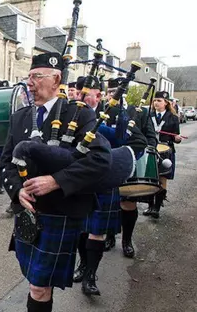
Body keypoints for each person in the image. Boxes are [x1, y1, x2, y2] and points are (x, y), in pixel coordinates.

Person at [0, 52, 111, 312]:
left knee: (40, 285)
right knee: (33, 280)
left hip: (59, 212)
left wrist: (56, 181)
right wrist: (17, 192)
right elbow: (6, 162)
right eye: (28, 77)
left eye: (37, 76)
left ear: (56, 79)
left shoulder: (78, 114)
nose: (30, 82)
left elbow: (100, 160)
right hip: (27, 212)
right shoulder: (20, 117)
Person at [72, 76, 147, 296]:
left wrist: (121, 158)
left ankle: (90, 276)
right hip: (78, 179)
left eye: (89, 93)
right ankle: (83, 265)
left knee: (97, 232)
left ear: (100, 95)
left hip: (104, 179)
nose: (83, 97)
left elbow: (137, 141)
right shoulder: (69, 113)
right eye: (80, 93)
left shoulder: (117, 114)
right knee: (81, 229)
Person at [104, 78, 157, 257]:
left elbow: (150, 136)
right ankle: (109, 236)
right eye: (111, 91)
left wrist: (147, 150)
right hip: (106, 164)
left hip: (132, 160)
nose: (114, 95)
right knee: (109, 203)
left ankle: (126, 240)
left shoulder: (138, 112)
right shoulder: (102, 111)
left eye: (118, 91)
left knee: (128, 203)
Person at [144, 91, 182, 218]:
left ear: (166, 103)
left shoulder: (173, 117)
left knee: (162, 179)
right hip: (150, 148)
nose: (156, 103)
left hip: (165, 150)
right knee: (149, 178)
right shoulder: (148, 115)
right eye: (155, 100)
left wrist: (177, 138)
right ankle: (149, 206)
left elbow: (177, 136)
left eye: (159, 100)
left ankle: (157, 207)